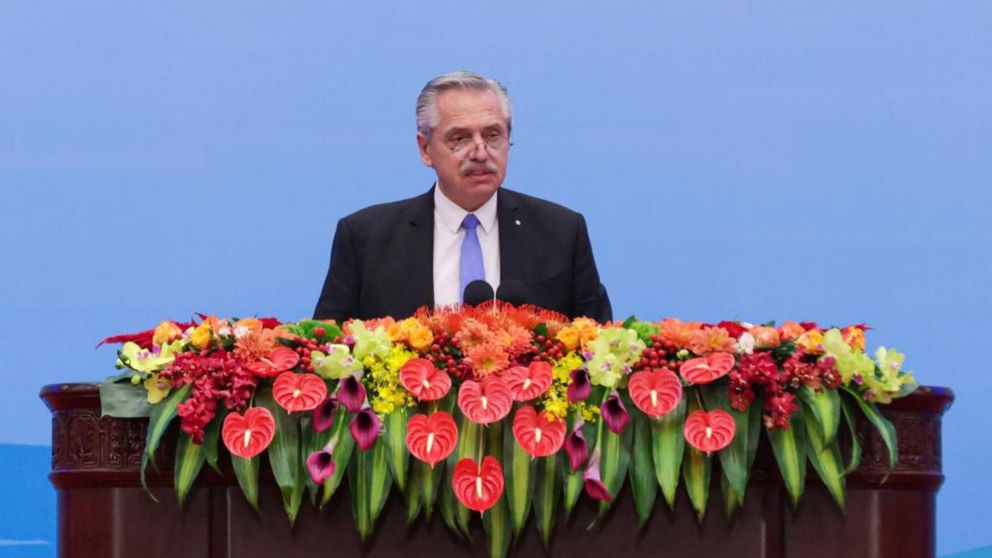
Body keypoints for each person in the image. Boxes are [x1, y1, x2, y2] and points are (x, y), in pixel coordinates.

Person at [313, 71, 612, 323]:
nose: (480, 152)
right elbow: (326, 358)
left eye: (493, 135)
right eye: (460, 138)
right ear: (425, 149)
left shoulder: (561, 232)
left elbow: (600, 353)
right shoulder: (366, 238)